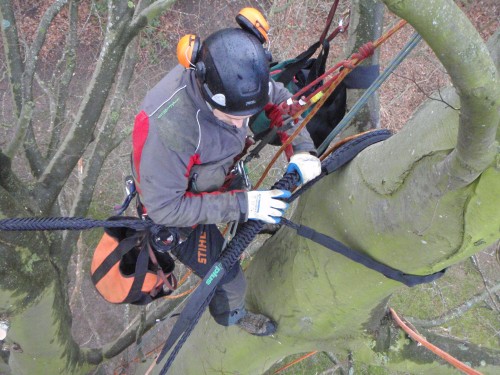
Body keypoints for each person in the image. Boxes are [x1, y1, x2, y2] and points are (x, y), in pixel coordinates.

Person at [131, 8, 321, 336]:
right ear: (205, 91)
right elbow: (166, 208)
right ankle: (233, 317)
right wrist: (245, 203)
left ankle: (250, 218)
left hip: (216, 175)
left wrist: (301, 148)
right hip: (179, 216)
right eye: (230, 117)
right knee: (229, 280)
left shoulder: (240, 81)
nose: (241, 124)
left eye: (245, 115)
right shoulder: (170, 129)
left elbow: (278, 100)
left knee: (258, 212)